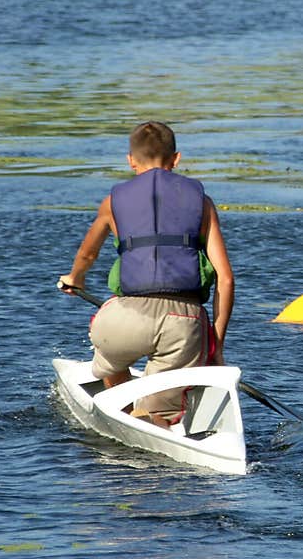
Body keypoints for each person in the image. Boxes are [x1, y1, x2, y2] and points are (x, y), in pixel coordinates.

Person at [59, 120, 234, 428]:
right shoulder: (202, 203)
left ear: (130, 160)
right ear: (176, 159)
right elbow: (226, 278)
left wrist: (75, 279)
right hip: (183, 324)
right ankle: (155, 417)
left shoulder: (112, 202)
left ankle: (126, 409)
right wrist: (215, 346)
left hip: (123, 320)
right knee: (160, 417)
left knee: (104, 328)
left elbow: (87, 254)